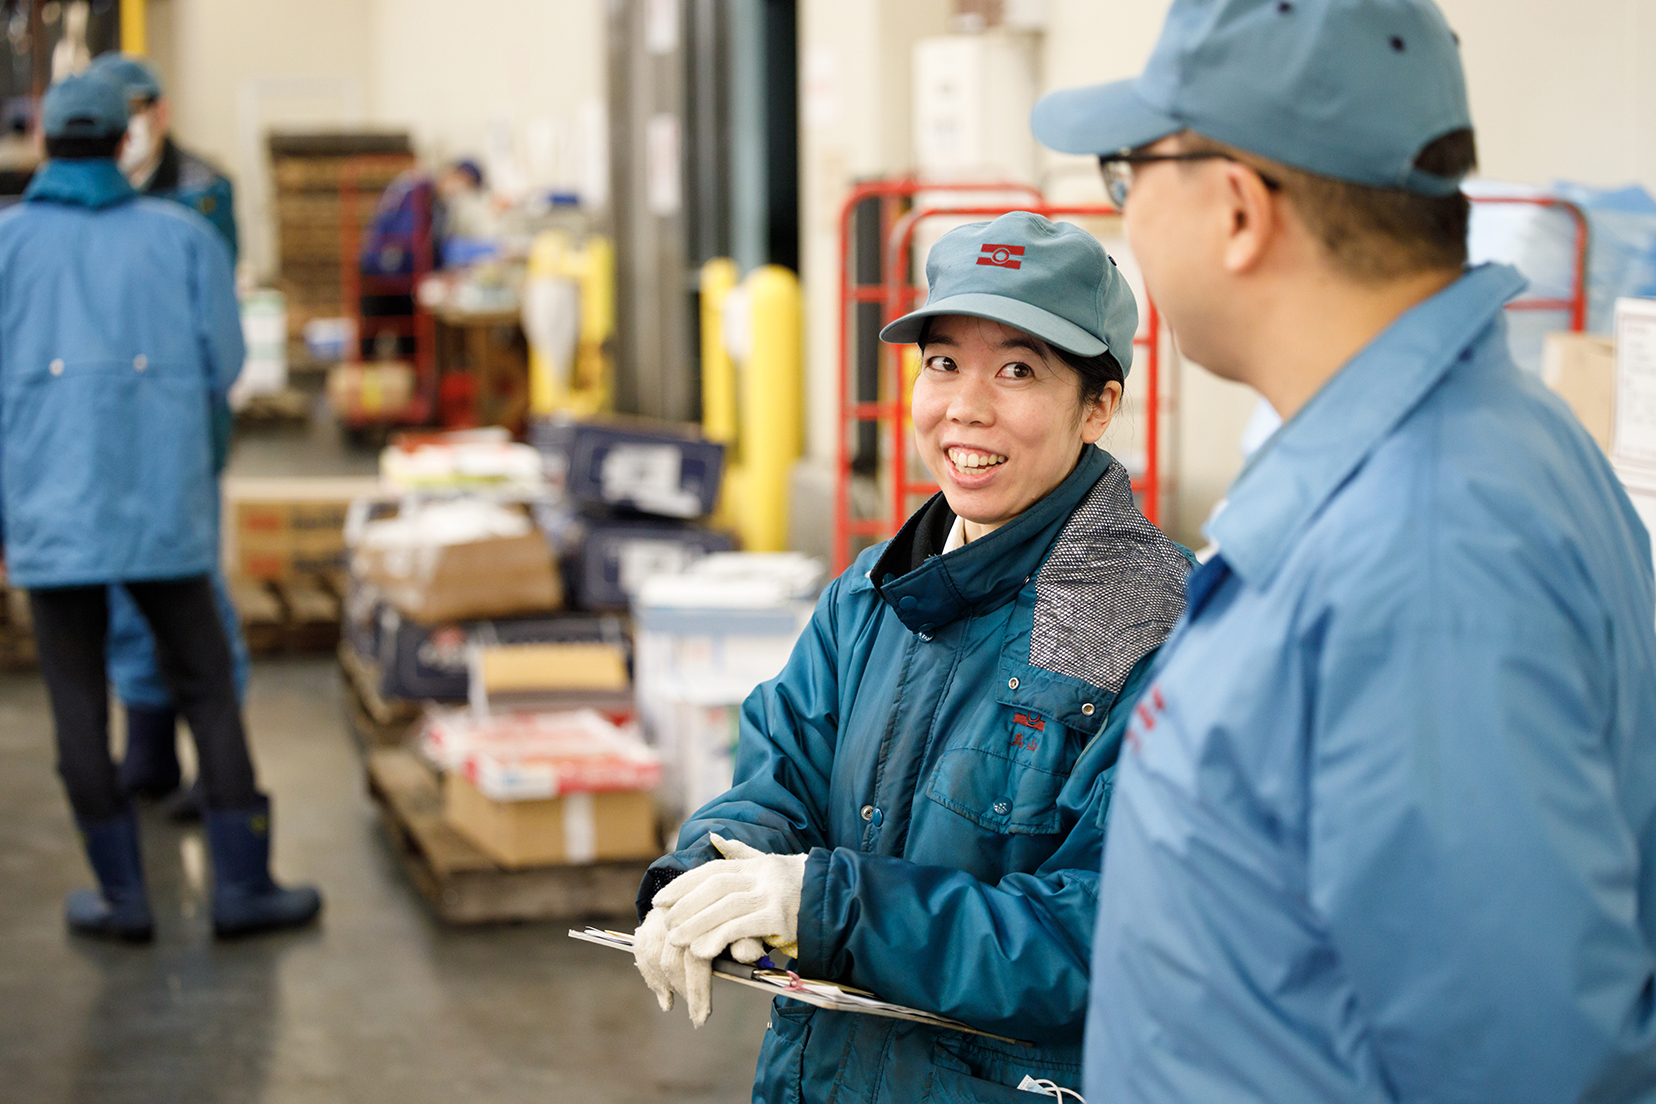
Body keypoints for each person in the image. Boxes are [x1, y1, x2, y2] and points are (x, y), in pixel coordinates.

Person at [1031, 0, 1656, 1100]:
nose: (1123, 214)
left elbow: (1524, 1067)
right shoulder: (1448, 449)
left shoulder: (1422, 557)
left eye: (1131, 173)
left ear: (1236, 210)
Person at [632, 212, 1192, 1101]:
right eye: (942, 364)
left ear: (1099, 407)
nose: (966, 406)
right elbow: (781, 778)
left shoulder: (1145, 626)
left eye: (1017, 369)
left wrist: (828, 908)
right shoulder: (874, 591)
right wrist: (706, 873)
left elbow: (1115, 934)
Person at [0, 73, 322, 942]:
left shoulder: (5, 246)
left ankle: (120, 897)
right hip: (163, 514)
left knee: (74, 698)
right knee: (208, 686)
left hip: (48, 518)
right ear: (122, 142)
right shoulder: (182, 238)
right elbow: (224, 366)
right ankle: (242, 890)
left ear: (42, 145)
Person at [85, 51, 250, 819]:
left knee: (193, 594)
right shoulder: (88, 202)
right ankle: (147, 749)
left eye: (137, 112)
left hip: (182, 430)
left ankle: (219, 773)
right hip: (106, 425)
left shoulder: (200, 194)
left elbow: (219, 334)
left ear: (159, 111)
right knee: (121, 591)